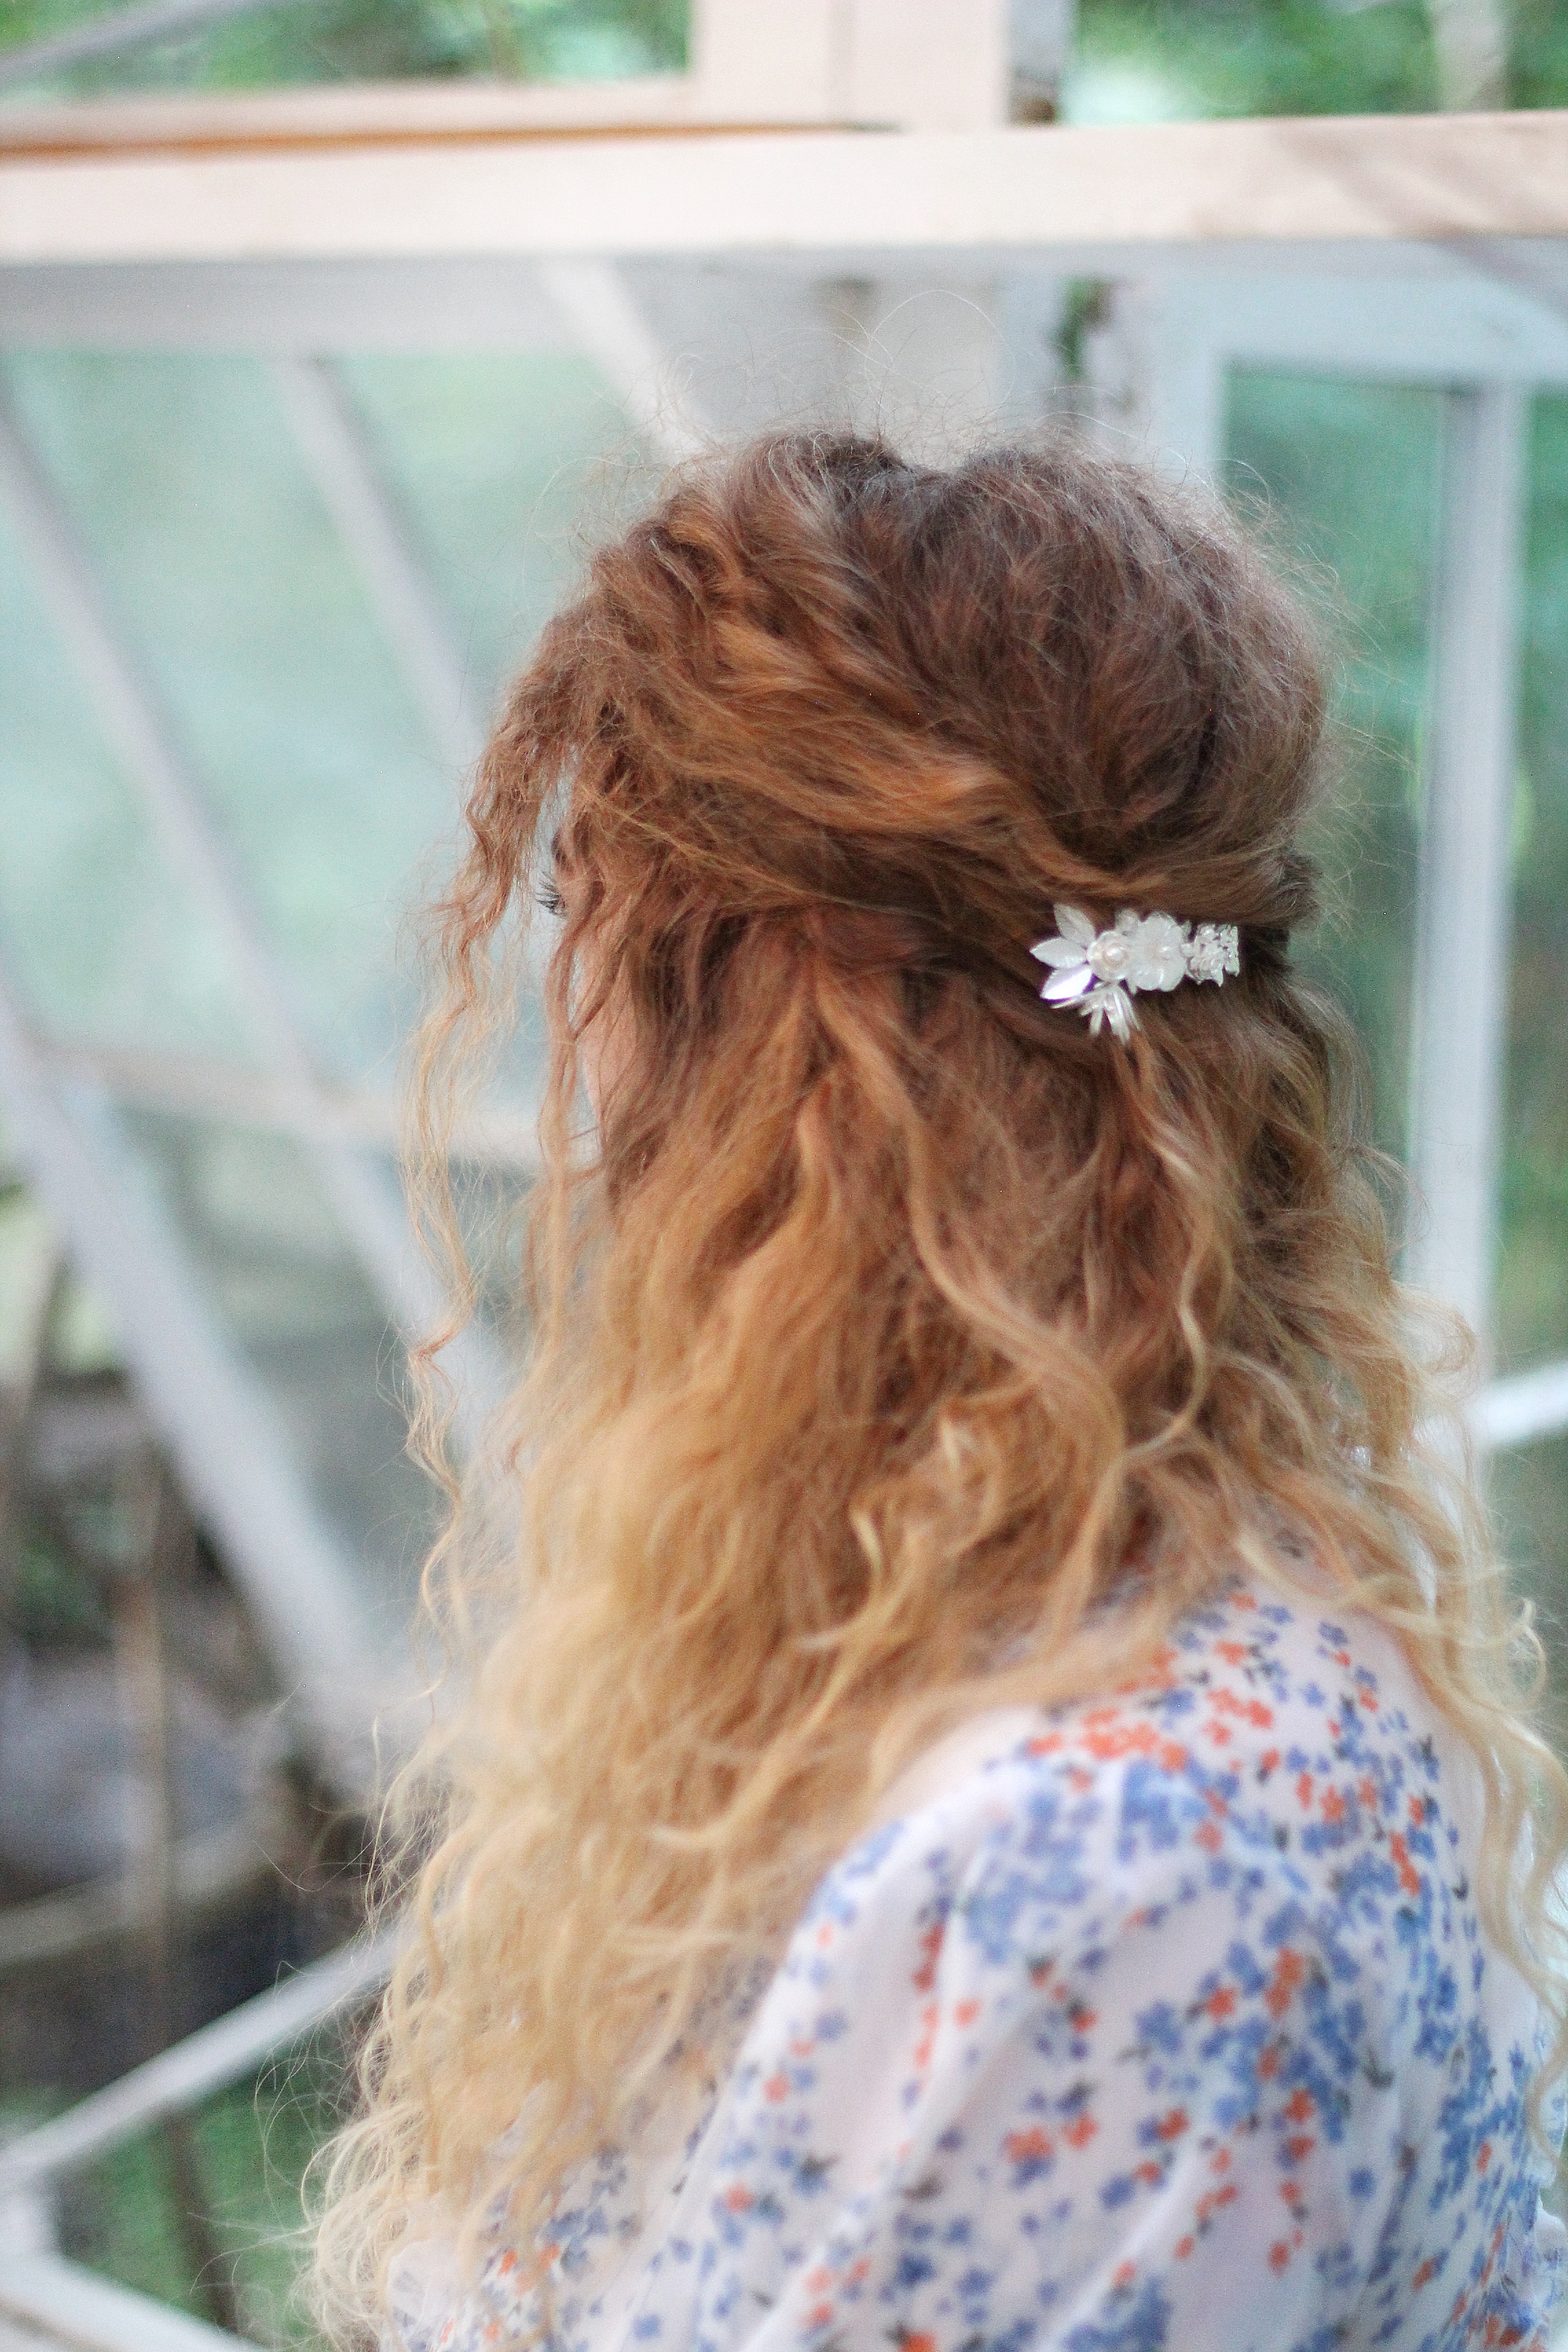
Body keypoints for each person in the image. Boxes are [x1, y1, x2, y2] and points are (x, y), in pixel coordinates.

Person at [314, 432, 1568, 2352]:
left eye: (604, 940)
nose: (594, 1090)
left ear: (786, 1056)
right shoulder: (1005, 1658)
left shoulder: (1103, 1879)